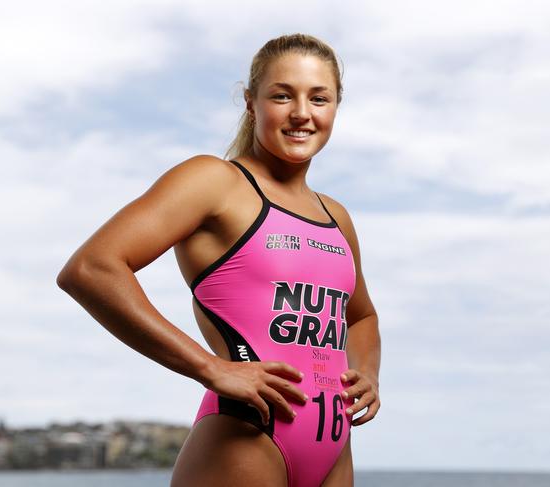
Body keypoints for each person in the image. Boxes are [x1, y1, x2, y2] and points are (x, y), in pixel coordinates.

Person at [57, 33, 381, 487]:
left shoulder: (336, 217)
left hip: (333, 445)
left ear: (335, 108)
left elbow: (362, 316)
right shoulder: (215, 182)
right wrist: (211, 368)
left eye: (319, 98)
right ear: (251, 103)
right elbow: (91, 269)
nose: (301, 113)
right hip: (246, 437)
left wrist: (366, 373)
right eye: (282, 95)